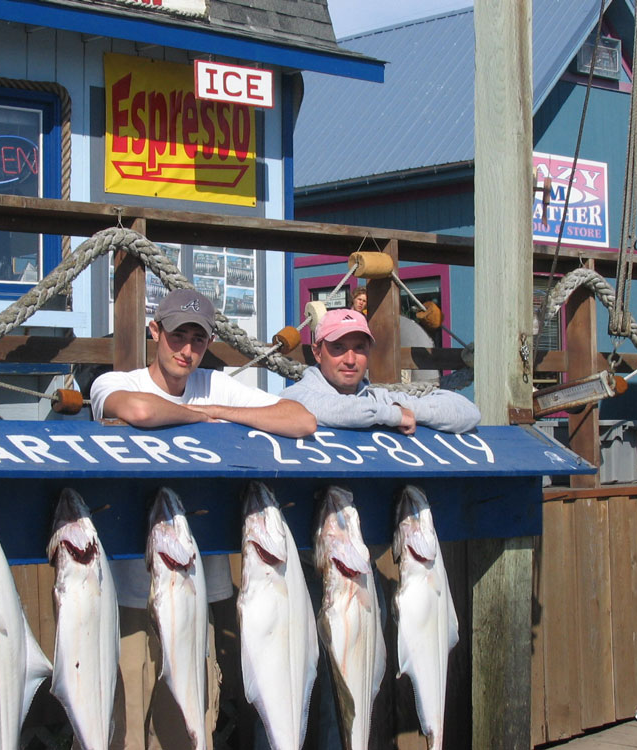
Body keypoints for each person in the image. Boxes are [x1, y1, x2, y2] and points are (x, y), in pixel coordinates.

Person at [89, 288, 316, 750]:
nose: (186, 349)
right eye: (177, 336)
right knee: (119, 730)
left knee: (187, 735)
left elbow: (300, 420)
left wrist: (214, 410)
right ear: (156, 331)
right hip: (129, 599)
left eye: (197, 338)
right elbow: (138, 410)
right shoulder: (116, 382)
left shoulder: (215, 386)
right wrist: (204, 419)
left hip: (195, 597)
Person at [280, 307, 480, 434]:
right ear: (317, 353)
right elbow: (337, 409)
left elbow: (469, 413)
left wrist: (407, 410)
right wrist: (393, 416)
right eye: (338, 348)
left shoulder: (381, 398)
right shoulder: (292, 399)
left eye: (359, 348)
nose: (350, 360)